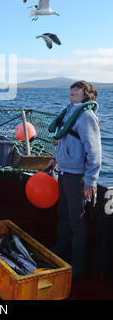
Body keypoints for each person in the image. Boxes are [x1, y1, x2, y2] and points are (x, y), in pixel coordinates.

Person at [47, 80, 102, 280]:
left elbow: (94, 150)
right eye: (72, 88)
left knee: (76, 220)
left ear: (87, 95)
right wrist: (55, 158)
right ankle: (62, 250)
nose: (73, 91)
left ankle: (78, 268)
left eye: (78, 89)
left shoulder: (86, 116)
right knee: (63, 212)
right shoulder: (70, 112)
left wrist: (91, 180)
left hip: (77, 176)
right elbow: (63, 138)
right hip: (64, 171)